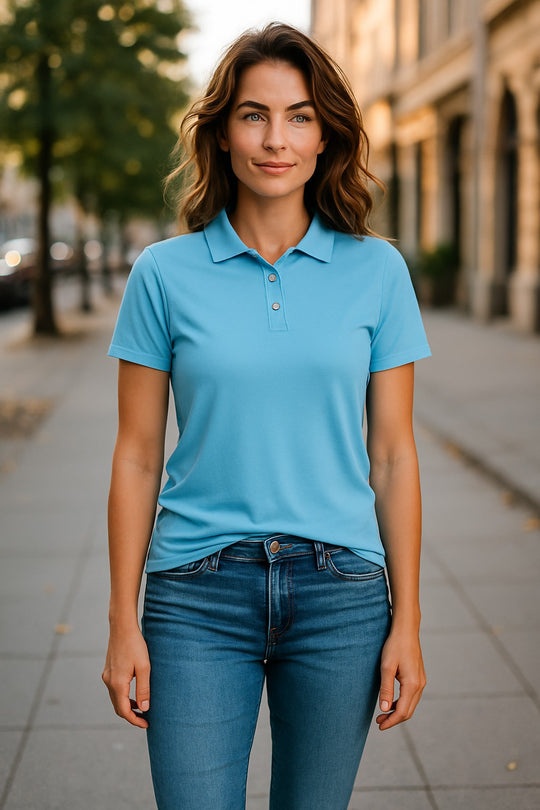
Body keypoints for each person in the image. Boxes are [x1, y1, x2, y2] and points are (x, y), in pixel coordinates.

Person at [102, 21, 431, 810]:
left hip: (342, 595)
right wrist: (122, 622)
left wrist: (408, 624)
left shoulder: (377, 270)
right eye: (253, 115)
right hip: (194, 595)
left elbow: (392, 455)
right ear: (220, 134)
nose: (275, 138)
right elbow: (137, 456)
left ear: (327, 136)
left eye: (299, 116)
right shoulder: (163, 274)